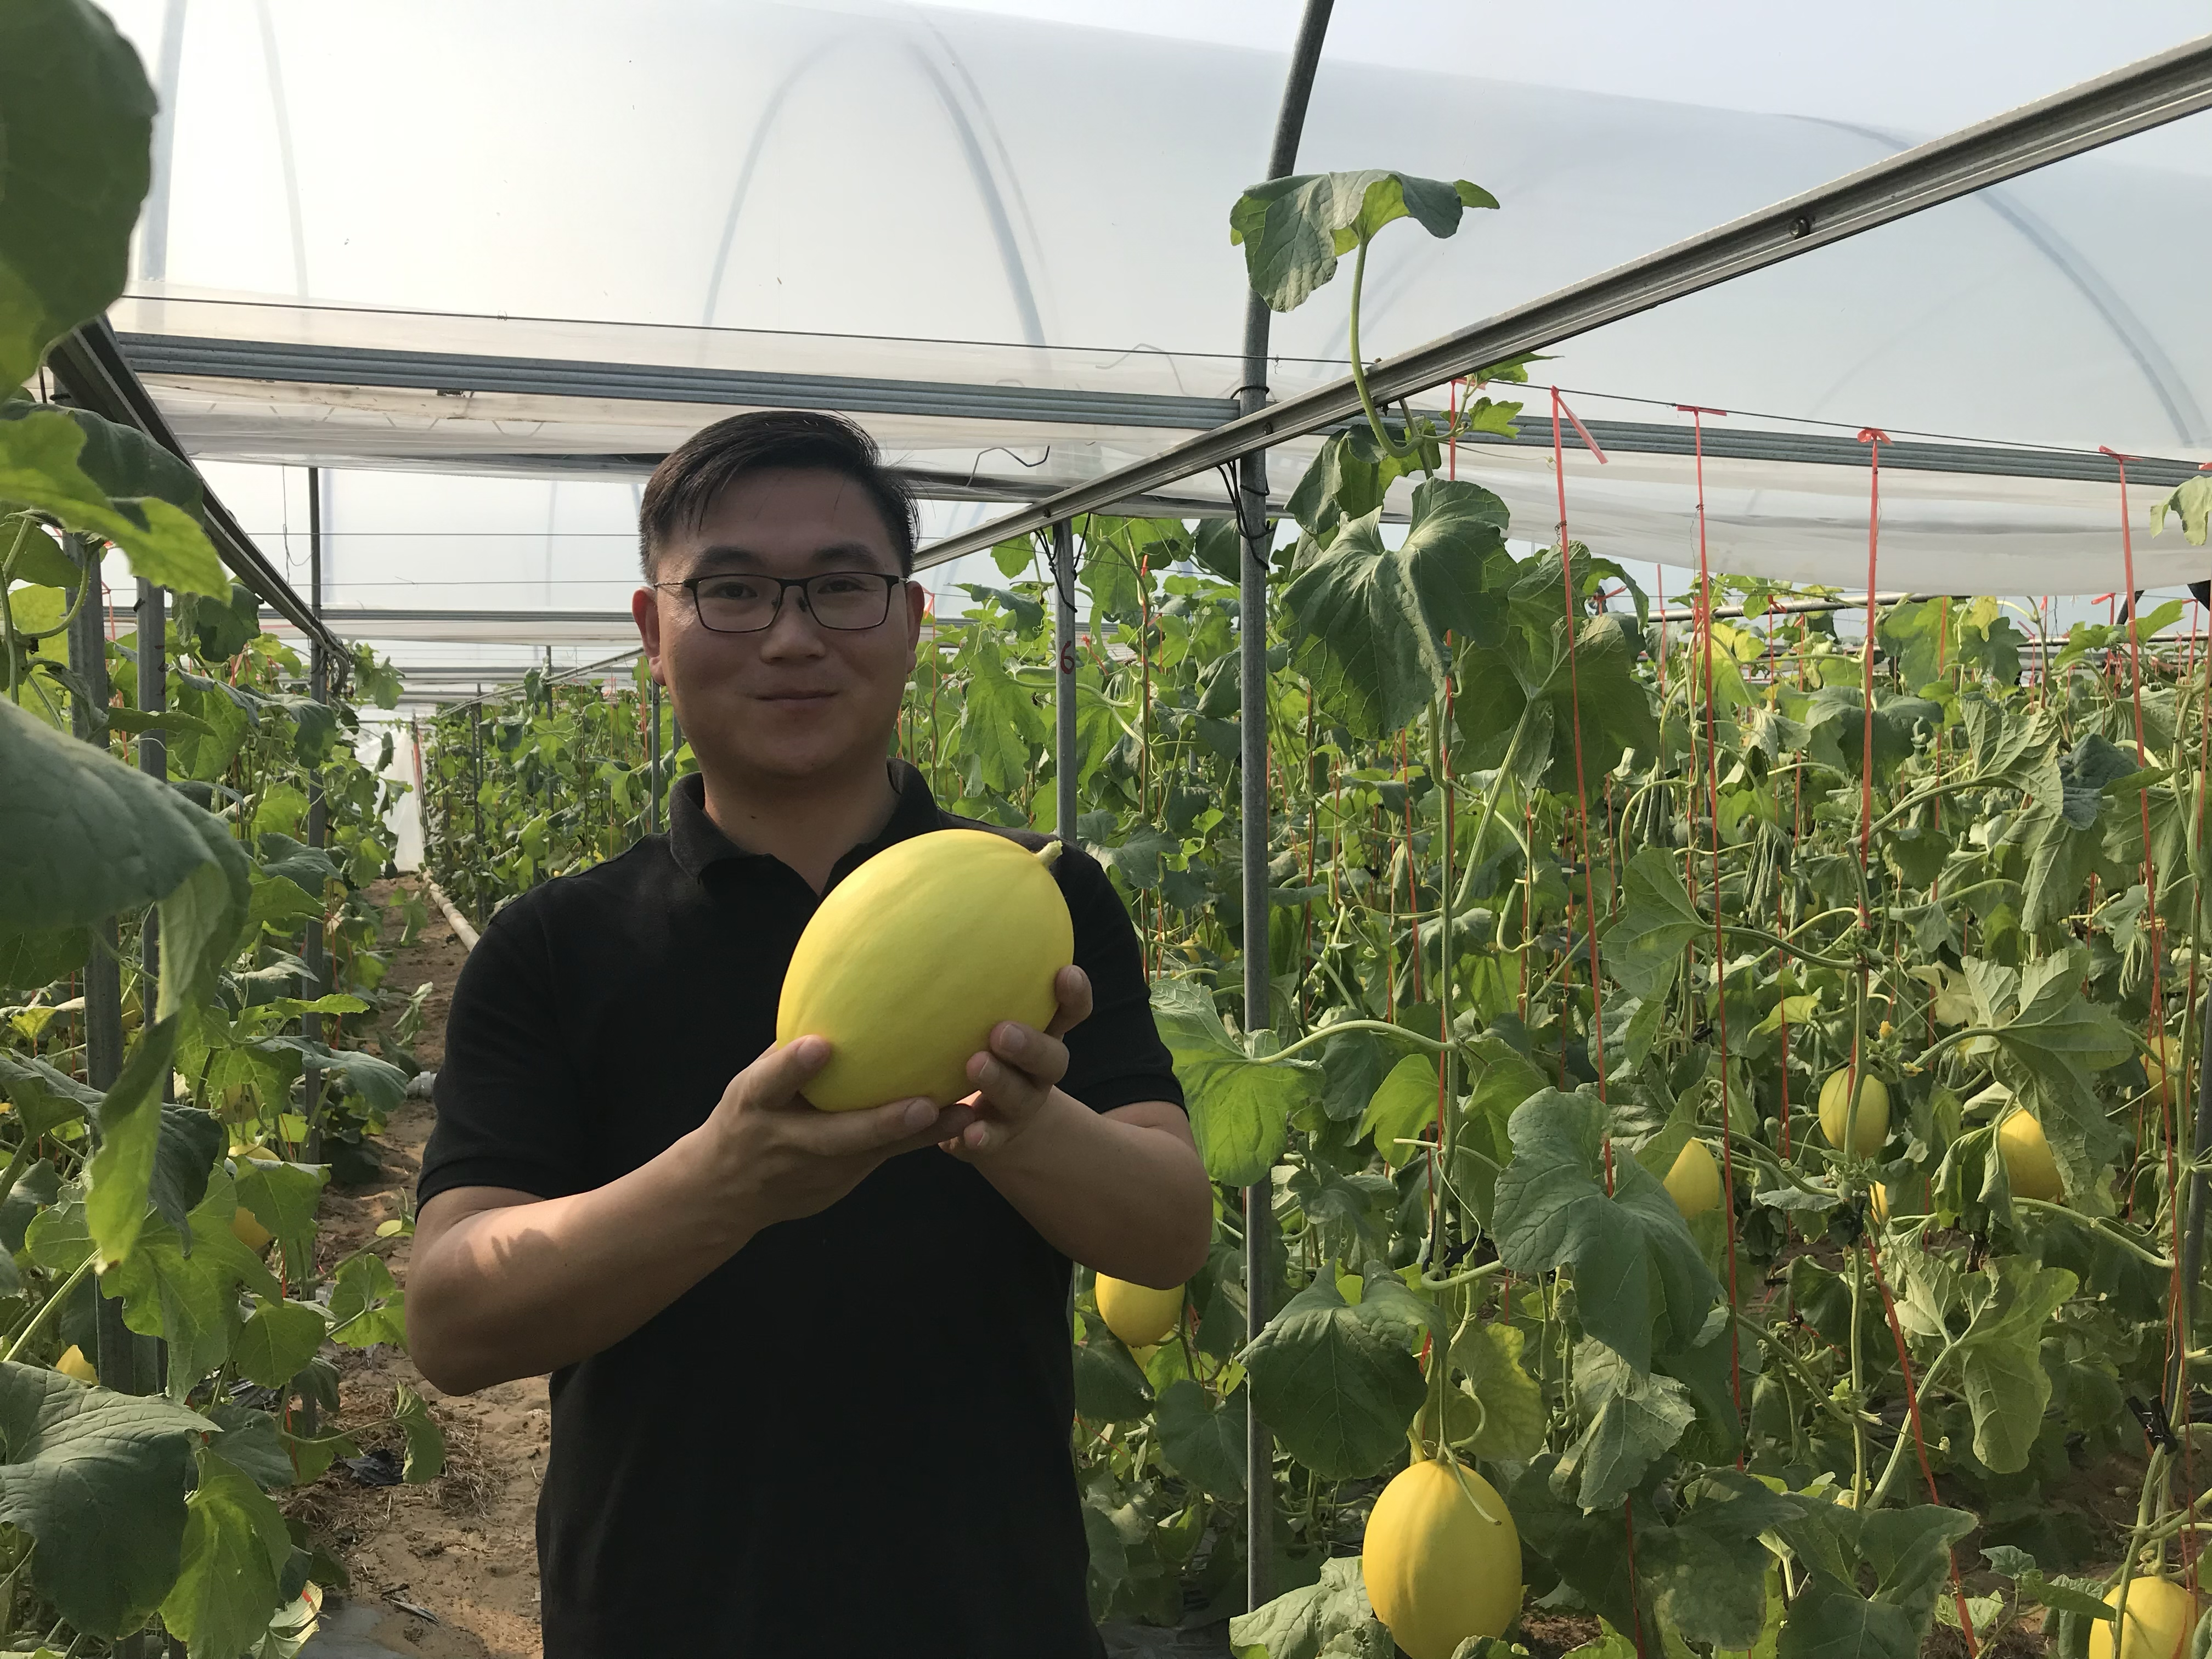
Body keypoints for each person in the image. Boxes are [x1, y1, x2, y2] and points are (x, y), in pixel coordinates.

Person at [407, 410, 1212, 1658]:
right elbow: (454, 1321)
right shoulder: (553, 944)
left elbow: (1167, 1233)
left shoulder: (1045, 898)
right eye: (731, 591)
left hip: (991, 1623)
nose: (792, 636)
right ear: (654, 634)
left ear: (911, 620)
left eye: (842, 587)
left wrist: (1021, 1125)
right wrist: (723, 1184)